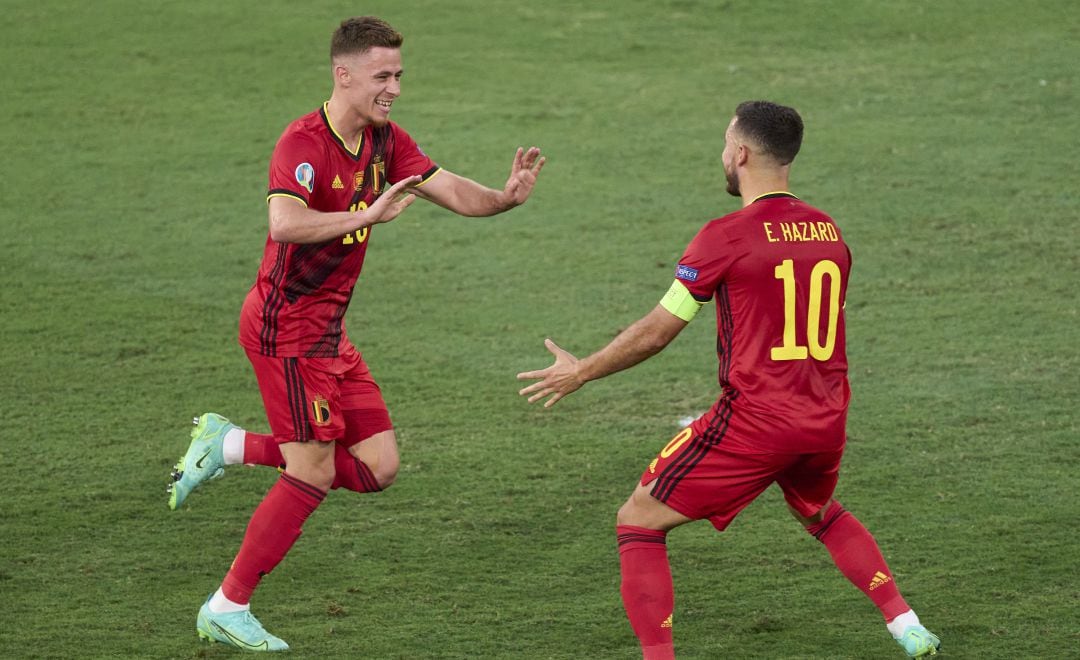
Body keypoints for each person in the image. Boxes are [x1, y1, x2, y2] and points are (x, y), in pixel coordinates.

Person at [166, 16, 545, 651]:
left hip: (328, 332)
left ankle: (228, 445)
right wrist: (365, 215)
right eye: (382, 76)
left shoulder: (385, 139)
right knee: (311, 473)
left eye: (398, 74)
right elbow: (285, 225)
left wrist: (505, 198)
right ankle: (226, 605)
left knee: (378, 466)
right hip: (286, 330)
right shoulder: (302, 143)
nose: (394, 87)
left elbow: (448, 187)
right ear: (344, 75)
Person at [517, 101, 939, 659]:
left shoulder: (727, 236)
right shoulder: (828, 231)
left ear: (740, 153)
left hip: (759, 420)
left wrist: (583, 370)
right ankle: (905, 624)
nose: (722, 153)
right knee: (817, 510)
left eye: (725, 143)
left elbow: (657, 331)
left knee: (638, 520)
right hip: (825, 417)